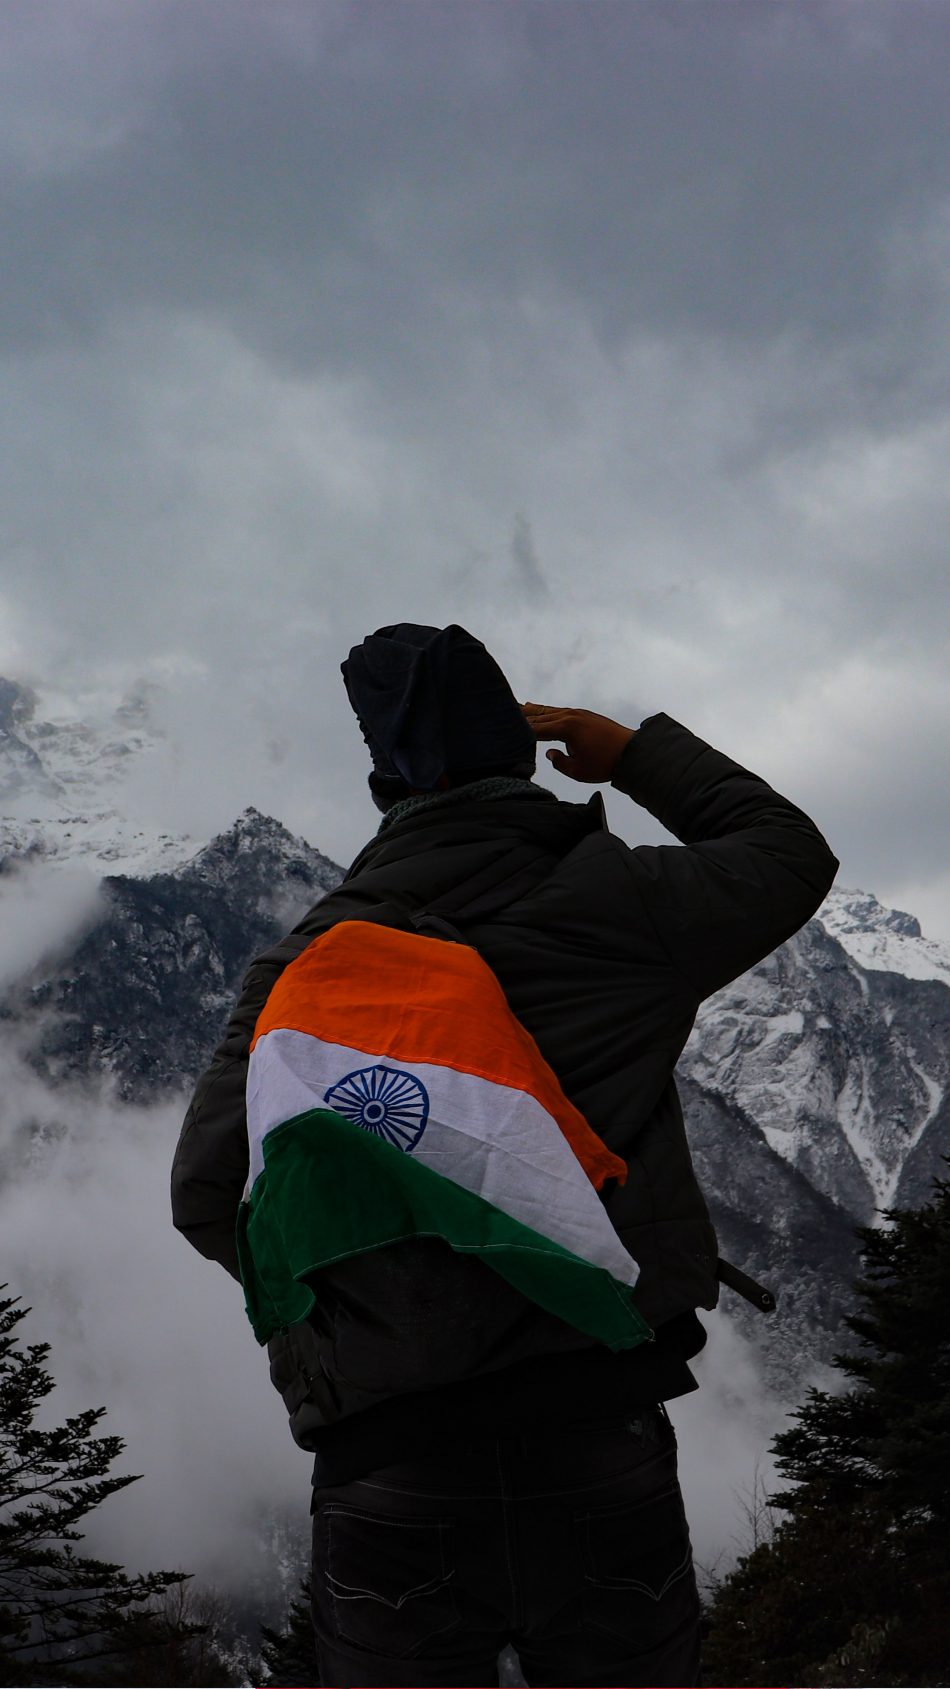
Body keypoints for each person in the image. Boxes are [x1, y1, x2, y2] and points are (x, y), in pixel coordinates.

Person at [171, 622, 838, 1688]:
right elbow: (787, 854)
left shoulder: (301, 971)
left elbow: (210, 1197)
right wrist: (619, 748)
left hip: (389, 1461)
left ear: (384, 781)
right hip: (594, 1433)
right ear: (522, 753)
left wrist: (346, 1331)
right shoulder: (627, 906)